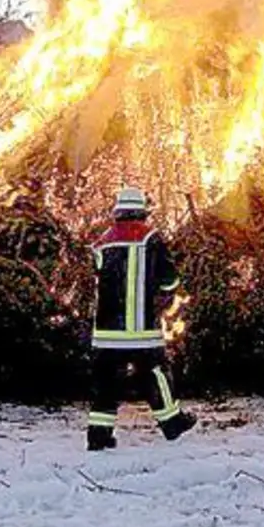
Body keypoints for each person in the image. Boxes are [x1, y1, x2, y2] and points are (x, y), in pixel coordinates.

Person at [86, 187, 196, 451]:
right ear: (142, 211)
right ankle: (172, 423)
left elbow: (99, 276)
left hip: (106, 332)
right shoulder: (150, 238)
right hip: (140, 329)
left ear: (118, 212)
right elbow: (169, 281)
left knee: (105, 383)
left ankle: (99, 437)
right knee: (156, 373)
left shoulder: (102, 242)